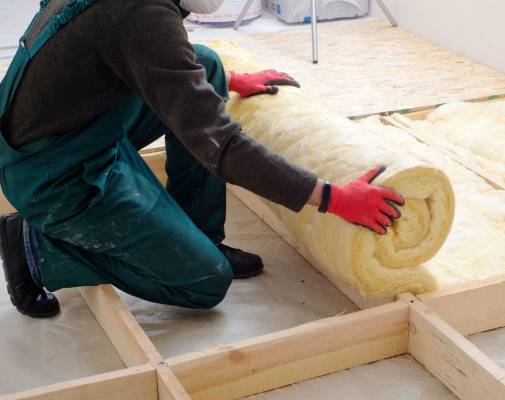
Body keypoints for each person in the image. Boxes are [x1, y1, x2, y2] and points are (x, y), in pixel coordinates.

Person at [0, 0, 404, 318]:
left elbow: (127, 50)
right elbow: (221, 144)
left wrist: (225, 81)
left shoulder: (134, 11)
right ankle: (34, 248)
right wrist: (331, 197)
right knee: (206, 280)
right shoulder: (138, 11)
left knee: (207, 64)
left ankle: (201, 232)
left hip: (74, 126)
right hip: (51, 173)